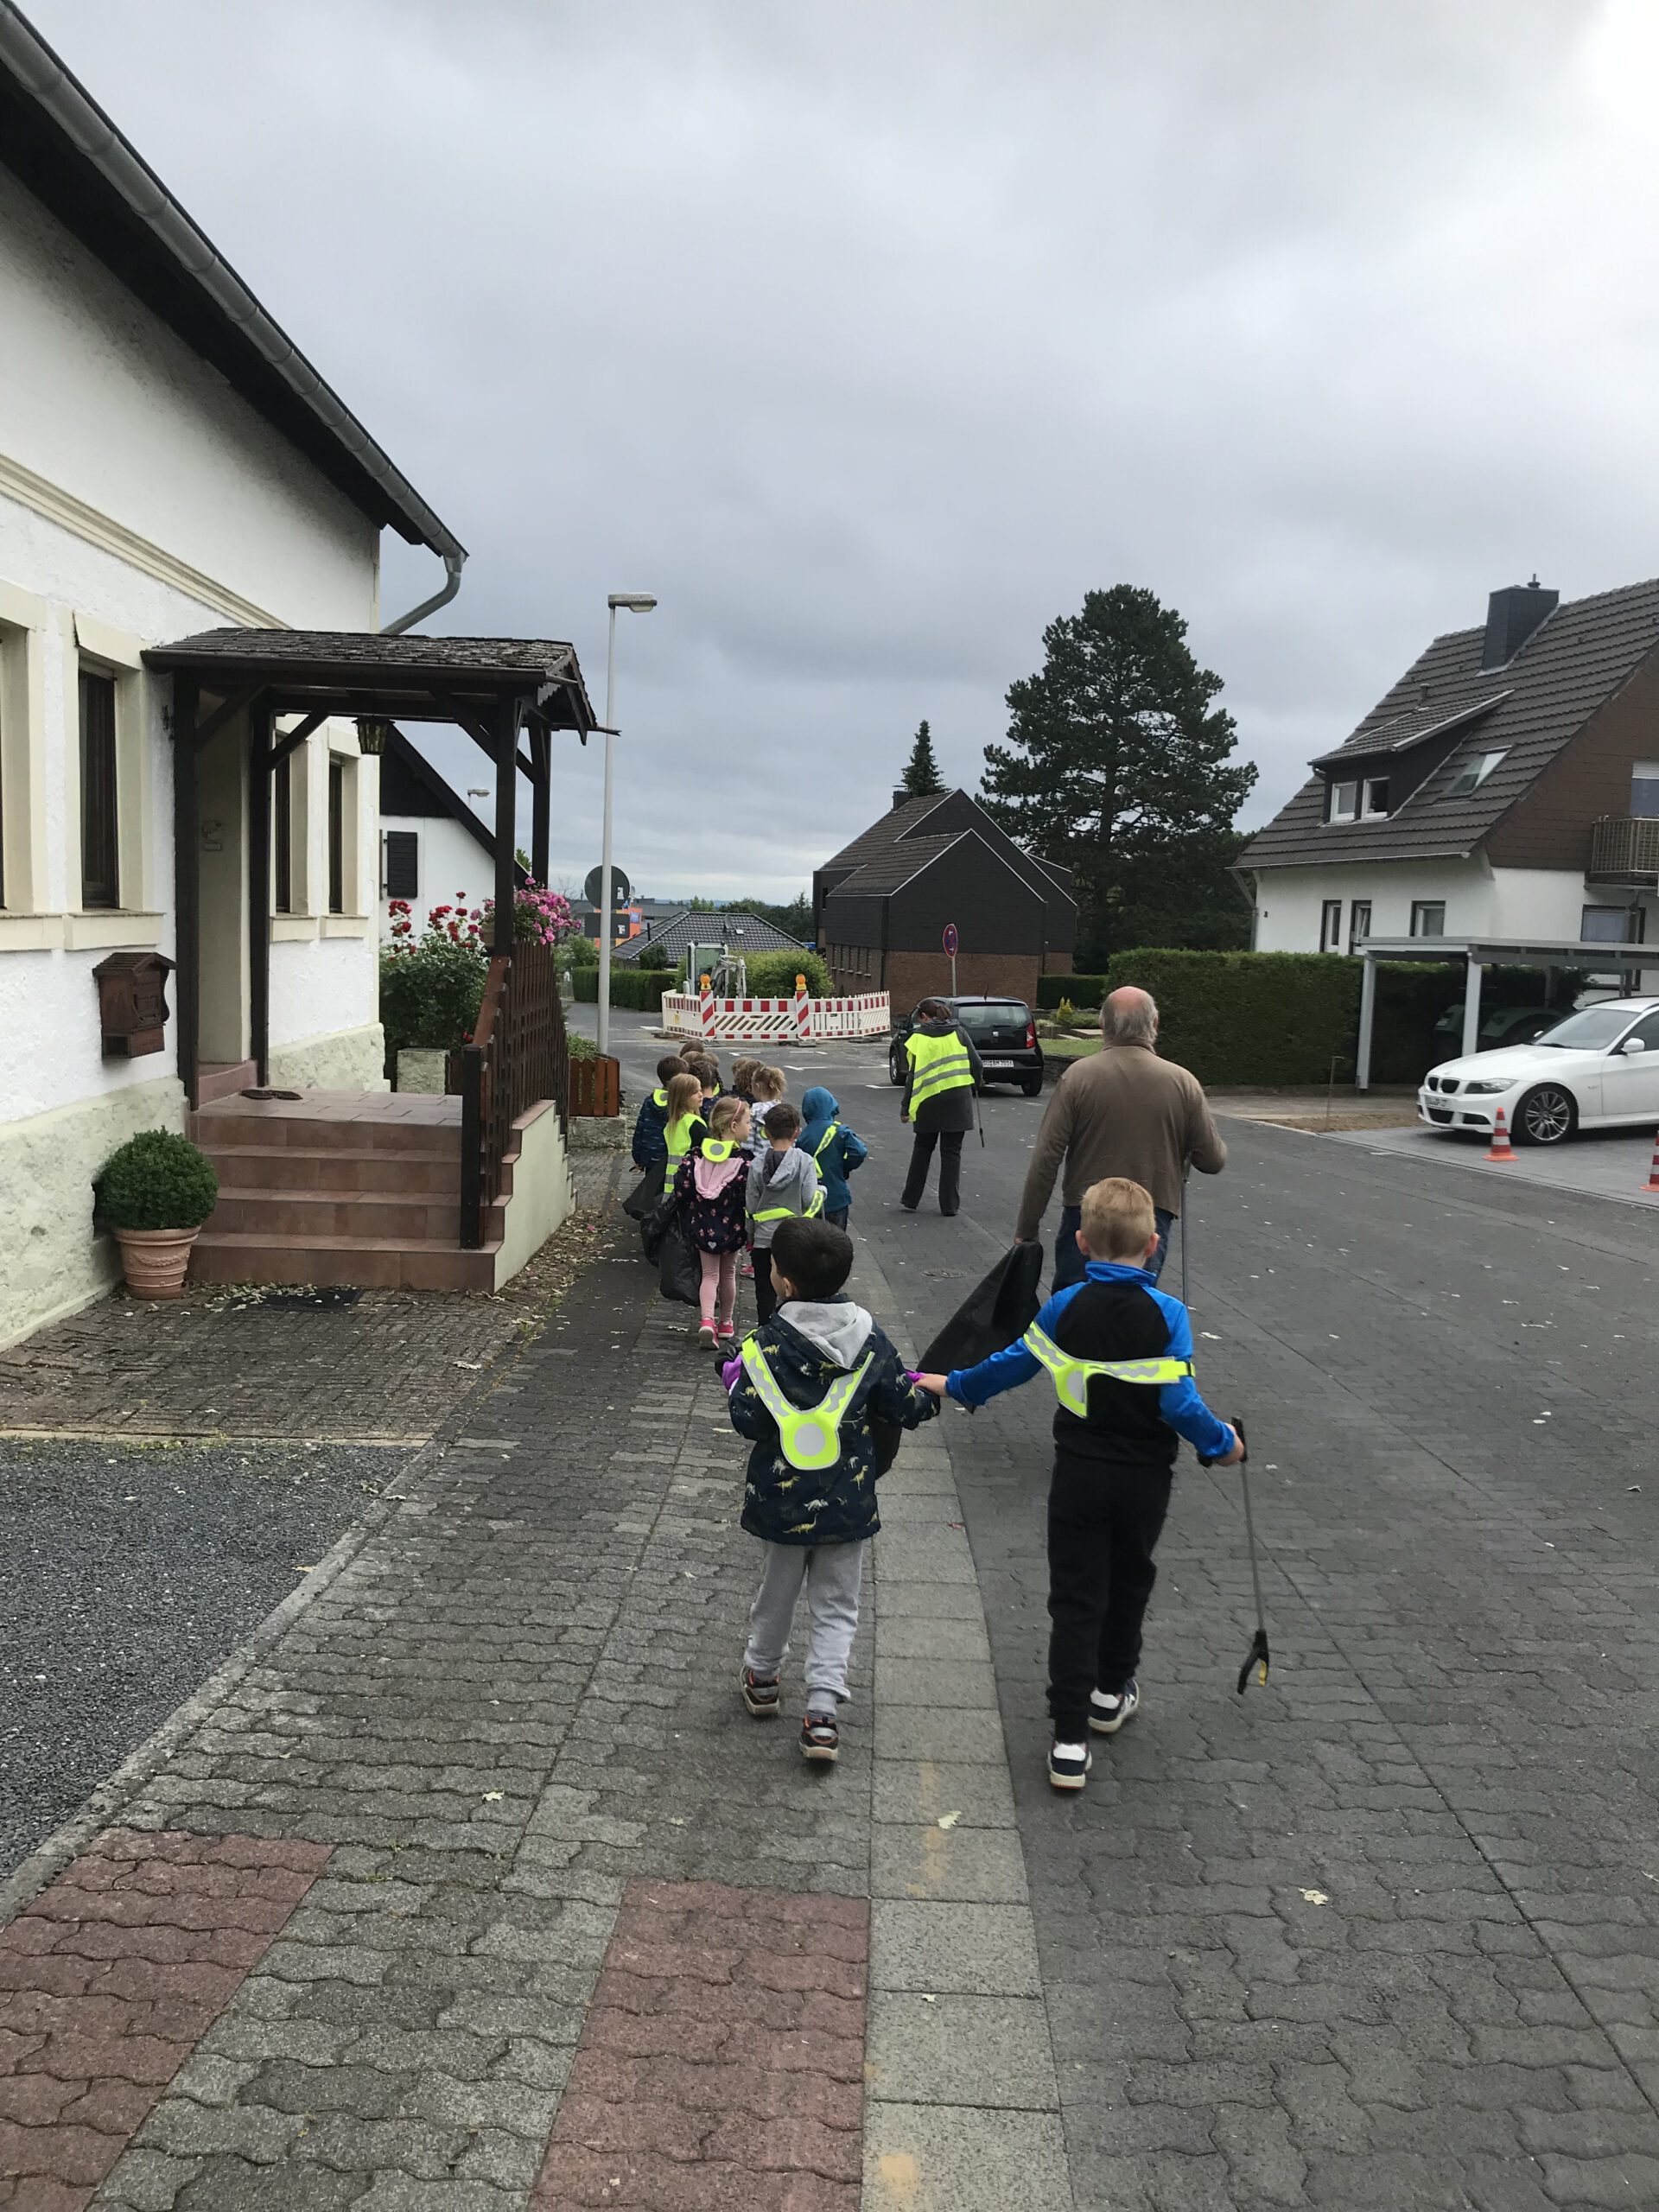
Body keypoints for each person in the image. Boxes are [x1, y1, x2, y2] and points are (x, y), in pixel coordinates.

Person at [917, 1176, 1243, 1793]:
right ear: (1153, 1245)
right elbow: (1179, 1403)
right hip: (1145, 1480)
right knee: (1129, 1580)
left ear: (1081, 1242)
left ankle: (1068, 1742)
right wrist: (1223, 1444)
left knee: (1074, 1600)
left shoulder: (1064, 1306)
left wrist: (952, 1384)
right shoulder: (1168, 1314)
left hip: (1078, 1476)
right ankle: (1109, 1691)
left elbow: (1012, 1365)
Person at [727, 1217, 938, 1761]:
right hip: (848, 1500)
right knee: (838, 1603)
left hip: (781, 1501)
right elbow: (901, 1405)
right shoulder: (871, 1341)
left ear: (785, 1284)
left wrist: (736, 1384)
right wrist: (929, 1393)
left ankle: (764, 1678)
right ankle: (822, 1713)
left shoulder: (763, 1347)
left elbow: (747, 1419)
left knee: (777, 1593)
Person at [1015, 987, 1225, 1288]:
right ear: (1154, 1024)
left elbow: (1047, 1157)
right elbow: (1212, 1160)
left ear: (1103, 1026)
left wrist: (1028, 1226)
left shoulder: (1077, 1078)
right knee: (1134, 1312)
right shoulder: (1182, 1083)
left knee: (1073, 1312)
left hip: (1087, 1215)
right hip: (1150, 1217)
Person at [674, 1095, 752, 1354]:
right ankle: (726, 1323)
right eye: (748, 1122)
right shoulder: (744, 1161)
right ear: (733, 1125)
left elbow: (683, 1190)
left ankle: (706, 1319)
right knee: (728, 1273)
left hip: (702, 1224)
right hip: (732, 1227)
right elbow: (747, 1196)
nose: (750, 1128)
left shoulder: (696, 1157)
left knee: (709, 1275)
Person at [899, 999, 982, 1217]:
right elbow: (977, 1064)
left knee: (922, 1149)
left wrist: (905, 1107)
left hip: (928, 1102)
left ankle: (910, 1198)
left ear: (925, 1017)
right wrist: (976, 1083)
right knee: (951, 1154)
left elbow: (912, 1076)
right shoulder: (960, 1033)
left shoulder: (919, 1038)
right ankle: (949, 1206)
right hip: (958, 1101)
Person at [747, 1102, 821, 1325]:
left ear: (766, 1132)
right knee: (795, 1290)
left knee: (764, 1292)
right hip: (794, 1239)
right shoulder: (805, 1162)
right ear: (797, 1131)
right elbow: (809, 1199)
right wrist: (822, 1192)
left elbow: (750, 1206)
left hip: (763, 1239)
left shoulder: (757, 1165)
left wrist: (751, 1238)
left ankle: (765, 1331)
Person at [798, 1086, 868, 1232]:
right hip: (837, 1197)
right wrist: (845, 1167)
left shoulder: (802, 1136)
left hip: (811, 1200)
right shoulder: (839, 1131)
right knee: (836, 1243)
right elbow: (860, 1151)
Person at [631, 1054, 689, 1172]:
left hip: (651, 1158)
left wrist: (638, 1158)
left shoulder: (650, 1101)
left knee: (652, 1188)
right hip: (676, 1160)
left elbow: (640, 1130)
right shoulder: (683, 1103)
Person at [660, 1070, 709, 1195]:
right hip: (690, 1183)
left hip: (671, 1183)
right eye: (695, 1092)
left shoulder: (672, 1123)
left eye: (700, 1090)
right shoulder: (694, 1123)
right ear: (683, 1097)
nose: (700, 1094)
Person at [749, 1064, 787, 1144]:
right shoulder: (784, 1111)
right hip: (782, 1154)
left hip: (758, 1155)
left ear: (757, 1087)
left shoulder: (754, 1112)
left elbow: (748, 1143)